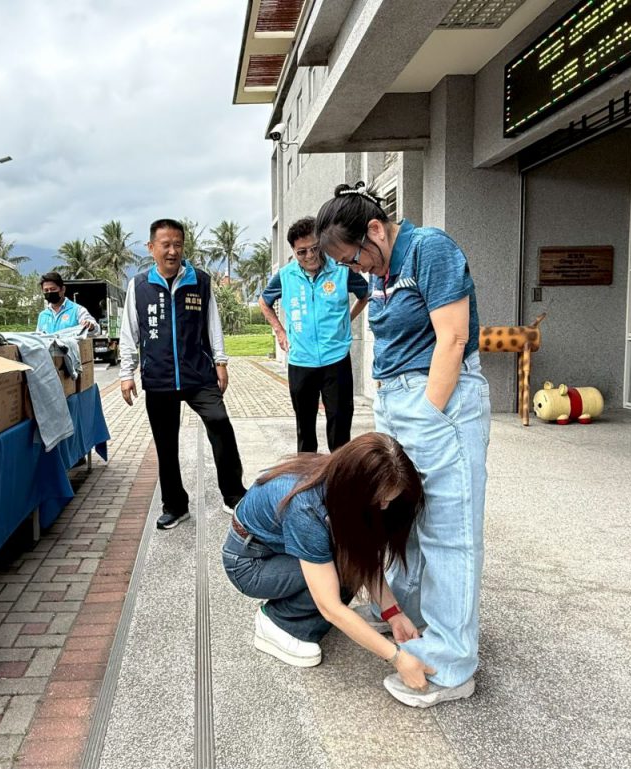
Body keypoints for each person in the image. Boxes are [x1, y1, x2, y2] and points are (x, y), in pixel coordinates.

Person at [315, 181, 491, 708]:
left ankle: (452, 662)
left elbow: (453, 338)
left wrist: (431, 413)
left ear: (375, 229)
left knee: (449, 529)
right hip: (396, 400)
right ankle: (407, 615)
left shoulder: (429, 248)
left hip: (438, 397)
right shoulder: (383, 270)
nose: (357, 269)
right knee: (402, 518)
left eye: (354, 258)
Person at [223, 433, 431, 692]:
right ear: (356, 485)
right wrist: (397, 658)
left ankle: (292, 614)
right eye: (381, 499)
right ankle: (276, 622)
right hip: (250, 564)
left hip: (276, 549)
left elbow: (363, 558)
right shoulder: (306, 507)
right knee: (342, 574)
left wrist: (394, 614)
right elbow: (330, 605)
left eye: (389, 499)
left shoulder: (339, 477)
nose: (384, 507)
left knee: (349, 564)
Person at [120, 218, 247, 529]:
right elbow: (129, 333)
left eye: (178, 244)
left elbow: (213, 324)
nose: (172, 251)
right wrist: (126, 373)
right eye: (166, 245)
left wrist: (220, 361)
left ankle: (234, 495)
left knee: (220, 423)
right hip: (159, 378)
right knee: (165, 444)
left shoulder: (200, 281)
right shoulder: (139, 286)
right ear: (151, 248)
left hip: (198, 375)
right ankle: (175, 506)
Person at [260, 216, 368, 453]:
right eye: (302, 252)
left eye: (315, 248)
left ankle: (339, 473)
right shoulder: (285, 276)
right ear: (293, 251)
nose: (310, 256)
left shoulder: (341, 270)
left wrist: (347, 319)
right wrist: (279, 331)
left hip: (336, 359)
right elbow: (264, 302)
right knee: (305, 428)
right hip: (301, 361)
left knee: (340, 427)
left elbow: (365, 294)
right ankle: (307, 472)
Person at [36, 272, 101, 334]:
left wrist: (91, 326)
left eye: (53, 289)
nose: (49, 292)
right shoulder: (43, 315)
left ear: (63, 289)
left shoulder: (77, 310)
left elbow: (97, 330)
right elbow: (38, 336)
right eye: (46, 290)